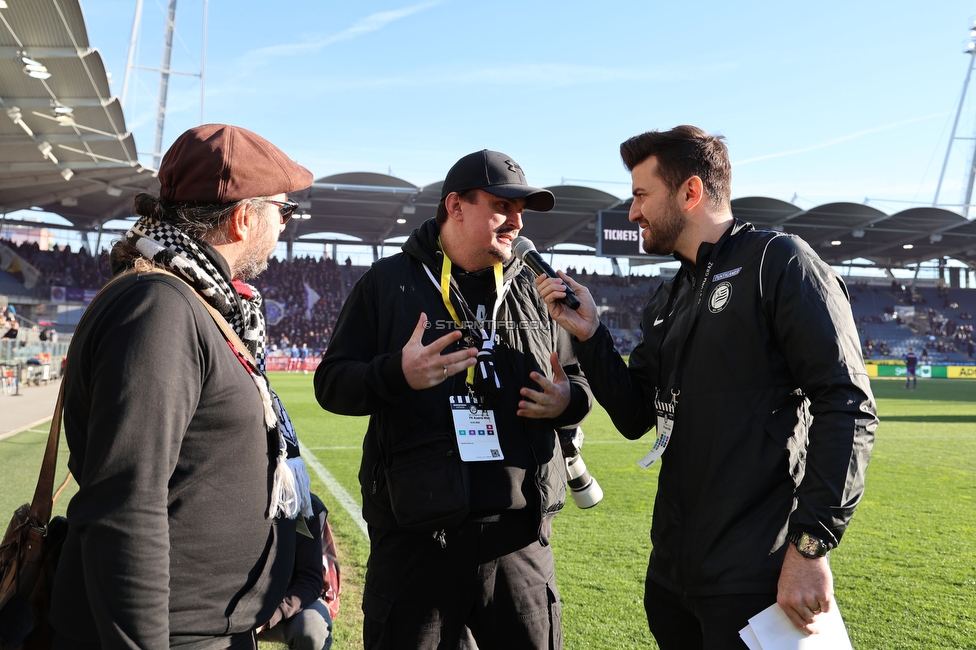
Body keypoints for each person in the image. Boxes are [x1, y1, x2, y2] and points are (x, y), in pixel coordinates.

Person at [535, 126, 877, 649]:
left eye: (641, 195)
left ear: (690, 193)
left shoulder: (779, 263)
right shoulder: (668, 295)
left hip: (756, 575)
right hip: (675, 577)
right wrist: (591, 335)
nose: (632, 212)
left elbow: (847, 404)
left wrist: (810, 548)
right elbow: (633, 416)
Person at [314, 149, 592, 650]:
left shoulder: (536, 288)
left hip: (520, 538)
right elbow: (332, 384)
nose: (515, 220)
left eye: (522, 209)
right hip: (417, 540)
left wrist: (567, 401)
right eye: (502, 205)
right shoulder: (388, 282)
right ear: (456, 206)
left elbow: (578, 382)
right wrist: (397, 373)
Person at [50, 124, 315, 649]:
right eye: (285, 212)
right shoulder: (160, 308)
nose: (287, 227)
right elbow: (126, 504)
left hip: (206, 629)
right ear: (243, 218)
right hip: (173, 636)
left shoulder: (201, 303)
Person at [257, 494, 334, 650]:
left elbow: (310, 580)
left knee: (312, 627)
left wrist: (266, 619)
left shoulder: (305, 507)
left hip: (282, 608)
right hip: (227, 610)